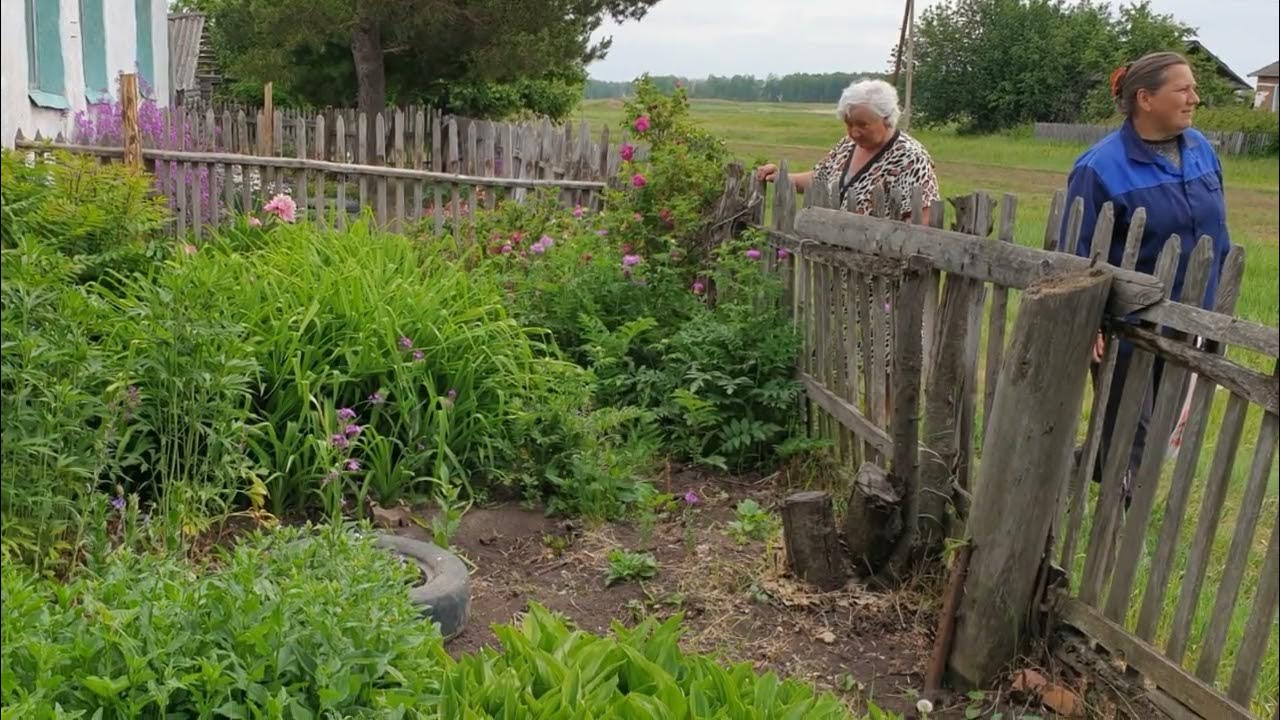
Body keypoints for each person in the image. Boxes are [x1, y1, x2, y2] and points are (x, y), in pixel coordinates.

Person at [1062, 51, 1231, 498]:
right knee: (1130, 431)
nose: (1195, 97)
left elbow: (1219, 233)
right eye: (1183, 88)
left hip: (1193, 319)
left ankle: (1077, 470)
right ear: (1145, 98)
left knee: (1161, 426)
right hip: (1130, 329)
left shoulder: (1201, 149)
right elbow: (1076, 253)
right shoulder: (1099, 167)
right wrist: (1088, 321)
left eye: (1194, 88)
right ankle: (1120, 523)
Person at [756, 79, 940, 221]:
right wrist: (783, 178)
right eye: (849, 124)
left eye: (862, 125)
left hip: (880, 264)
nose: (854, 132)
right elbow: (822, 178)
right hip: (834, 262)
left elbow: (922, 220)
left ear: (887, 118)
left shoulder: (910, 157)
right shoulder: (847, 145)